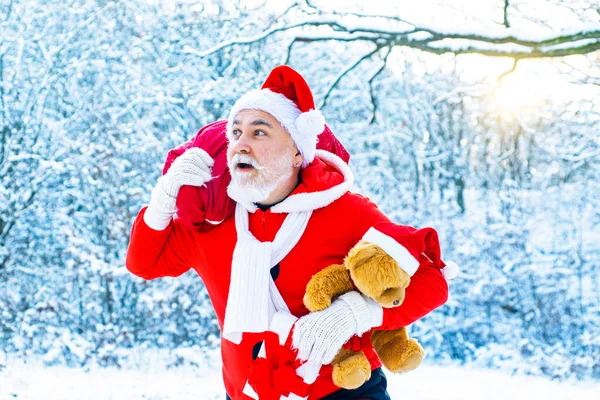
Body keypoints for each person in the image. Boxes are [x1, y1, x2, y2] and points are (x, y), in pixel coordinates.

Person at [126, 65, 452, 400]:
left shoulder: (346, 210)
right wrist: (165, 196)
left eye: (259, 133)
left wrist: (355, 313)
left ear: (297, 151)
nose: (241, 144)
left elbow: (432, 280)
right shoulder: (214, 225)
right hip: (246, 394)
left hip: (345, 392)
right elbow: (144, 263)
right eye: (235, 133)